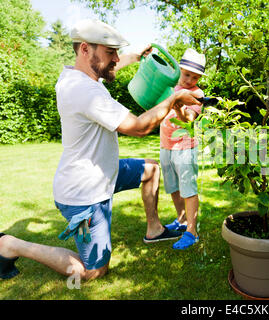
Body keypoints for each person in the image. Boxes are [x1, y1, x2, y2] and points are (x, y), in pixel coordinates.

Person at [0, 19, 201, 281]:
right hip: (84, 193)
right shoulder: (84, 90)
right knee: (93, 270)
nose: (117, 58)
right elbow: (139, 127)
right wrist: (173, 98)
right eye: (110, 52)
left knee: (150, 169)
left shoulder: (82, 76)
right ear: (85, 49)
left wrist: (136, 54)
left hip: (104, 172)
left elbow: (114, 63)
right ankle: (11, 245)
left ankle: (154, 229)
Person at [160, 48, 206, 250]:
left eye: (195, 77)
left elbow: (189, 120)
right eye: (187, 74)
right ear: (179, 69)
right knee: (173, 187)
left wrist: (178, 106)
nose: (189, 79)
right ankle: (181, 220)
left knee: (188, 189)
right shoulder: (170, 87)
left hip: (184, 146)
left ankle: (192, 232)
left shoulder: (197, 93)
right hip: (166, 144)